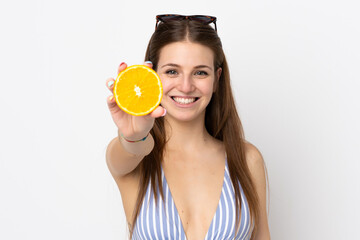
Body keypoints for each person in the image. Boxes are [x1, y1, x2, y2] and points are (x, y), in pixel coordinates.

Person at [105, 14, 270, 240]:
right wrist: (135, 134)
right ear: (153, 76)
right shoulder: (137, 159)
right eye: (172, 71)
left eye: (200, 72)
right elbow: (128, 150)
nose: (185, 86)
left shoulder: (247, 160)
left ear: (216, 79)